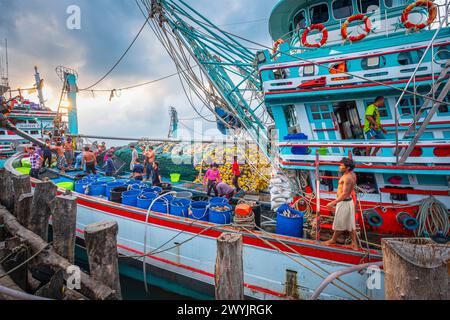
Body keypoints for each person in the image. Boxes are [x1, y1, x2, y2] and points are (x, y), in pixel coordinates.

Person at [323, 158, 359, 250]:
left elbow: (345, 194)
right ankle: (354, 244)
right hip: (348, 202)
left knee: (339, 223)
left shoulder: (347, 178)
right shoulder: (352, 174)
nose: (339, 166)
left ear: (347, 168)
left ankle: (333, 240)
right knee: (350, 224)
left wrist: (332, 203)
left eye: (341, 165)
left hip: (344, 203)